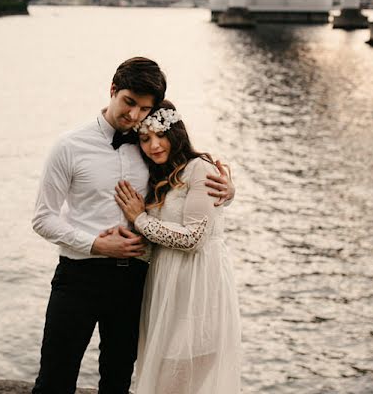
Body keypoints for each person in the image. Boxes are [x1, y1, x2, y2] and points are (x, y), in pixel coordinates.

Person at [31, 58, 234, 394]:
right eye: (129, 102)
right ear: (113, 90)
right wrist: (96, 244)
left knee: (118, 381)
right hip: (78, 276)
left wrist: (228, 192)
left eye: (144, 108)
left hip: (135, 281)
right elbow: (43, 218)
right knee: (55, 379)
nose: (135, 115)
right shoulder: (69, 146)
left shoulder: (151, 149)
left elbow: (184, 187)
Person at [114, 100, 242, 394]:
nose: (153, 145)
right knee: (163, 378)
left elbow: (193, 238)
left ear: (176, 133)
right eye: (145, 139)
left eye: (160, 135)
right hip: (166, 285)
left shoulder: (200, 169)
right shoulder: (159, 177)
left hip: (198, 288)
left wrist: (140, 219)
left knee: (178, 377)